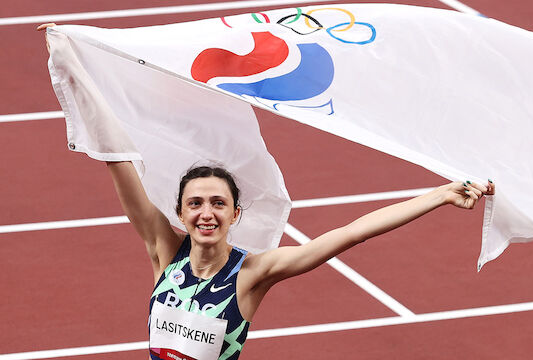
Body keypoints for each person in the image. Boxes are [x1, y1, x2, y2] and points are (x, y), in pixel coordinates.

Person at [38, 23, 495, 360]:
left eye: (219, 203)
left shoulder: (251, 274)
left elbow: (353, 232)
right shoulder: (164, 253)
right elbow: (118, 157)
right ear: (178, 211)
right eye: (195, 203)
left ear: (236, 214)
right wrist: (74, 68)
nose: (206, 213)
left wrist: (439, 196)